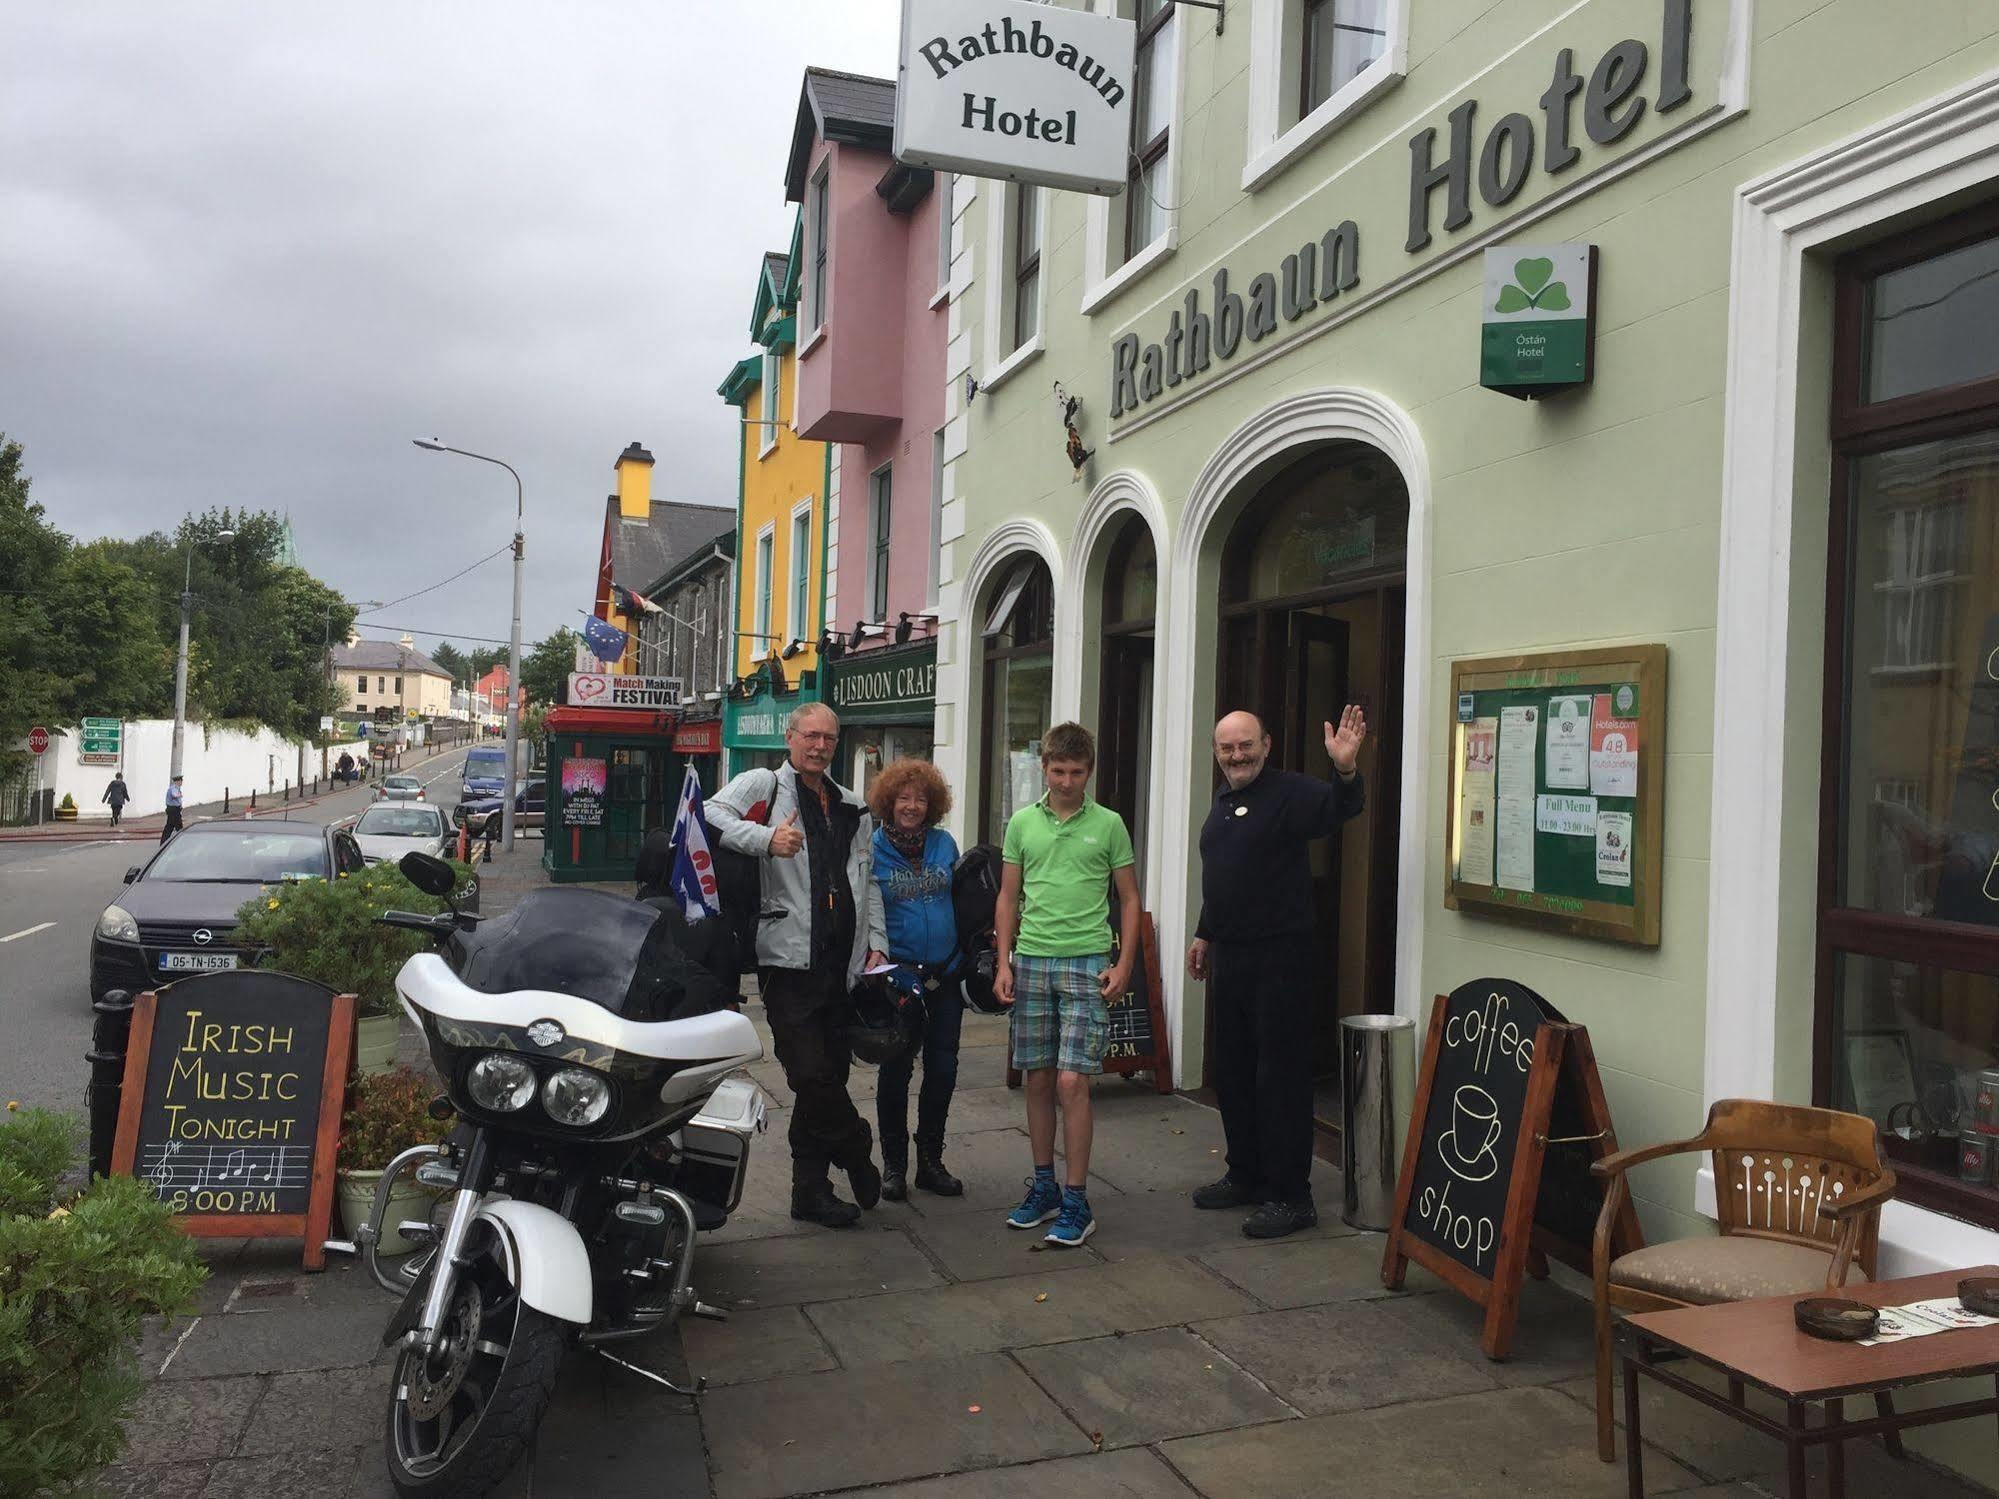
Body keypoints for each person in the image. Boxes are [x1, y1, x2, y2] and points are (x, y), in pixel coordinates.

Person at [1187, 706, 1368, 1239]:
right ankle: (1246, 1174)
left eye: (1246, 745)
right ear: (1217, 752)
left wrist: (1346, 769)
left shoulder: (1294, 792)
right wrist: (1204, 931)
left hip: (1281, 957)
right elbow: (1225, 873)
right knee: (1234, 1070)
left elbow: (1343, 807)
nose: (1237, 755)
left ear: (1266, 744)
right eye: (1227, 748)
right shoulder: (1224, 798)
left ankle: (1292, 1195)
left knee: (1280, 1076)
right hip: (1232, 955)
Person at [708, 704, 888, 1229]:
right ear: (791, 738)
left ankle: (809, 1193)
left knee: (827, 1074)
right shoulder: (762, 783)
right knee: (808, 1072)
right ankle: (856, 1149)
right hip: (788, 962)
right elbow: (711, 816)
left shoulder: (851, 806)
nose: (819, 746)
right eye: (810, 735)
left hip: (842, 964)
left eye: (828, 738)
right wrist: (767, 839)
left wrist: (876, 942)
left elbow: (867, 880)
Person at [994, 722, 1139, 1248]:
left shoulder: (1110, 824)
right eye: (1058, 771)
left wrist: (1124, 965)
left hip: (1086, 964)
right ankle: (1045, 1187)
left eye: (1077, 772)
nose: (1067, 782)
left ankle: (1077, 1199)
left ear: (1089, 772)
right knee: (1037, 1079)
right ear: (1045, 768)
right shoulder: (1021, 825)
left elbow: (1127, 899)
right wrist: (1003, 962)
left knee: (1072, 1083)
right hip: (1031, 961)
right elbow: (1008, 897)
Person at [867, 758, 964, 1202]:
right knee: (896, 1070)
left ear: (933, 805)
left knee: (942, 1069)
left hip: (945, 974)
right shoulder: (872, 848)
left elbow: (964, 901)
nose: (912, 806)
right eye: (904, 798)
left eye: (921, 799)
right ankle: (894, 1166)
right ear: (889, 802)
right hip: (898, 978)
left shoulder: (945, 845)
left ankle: (930, 1162)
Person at [160, 774, 185, 843]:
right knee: (179, 827)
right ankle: (182, 841)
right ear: (177, 781)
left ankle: (163, 842)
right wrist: (179, 795)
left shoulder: (177, 788)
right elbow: (174, 795)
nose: (182, 782)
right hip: (173, 810)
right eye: (180, 781)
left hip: (175, 810)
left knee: (169, 827)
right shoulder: (173, 788)